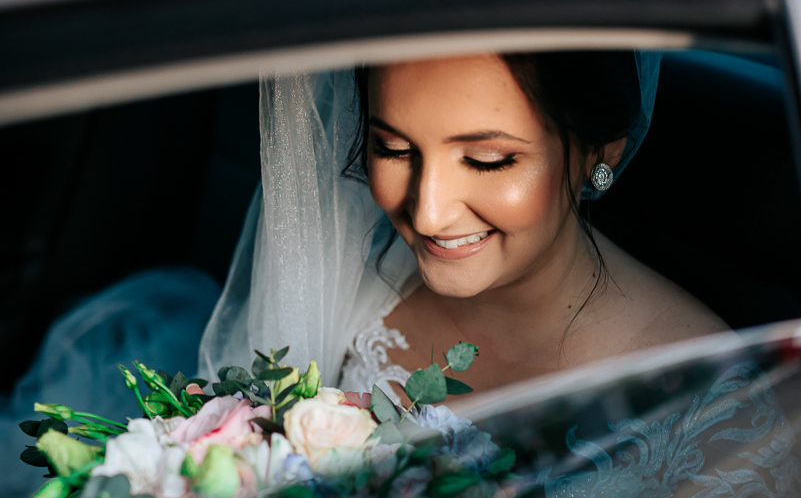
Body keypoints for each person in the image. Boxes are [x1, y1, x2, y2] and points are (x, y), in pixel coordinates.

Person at [199, 51, 725, 397]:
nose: (428, 214)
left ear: (598, 153)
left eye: (488, 160)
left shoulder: (710, 395)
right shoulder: (340, 275)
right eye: (393, 148)